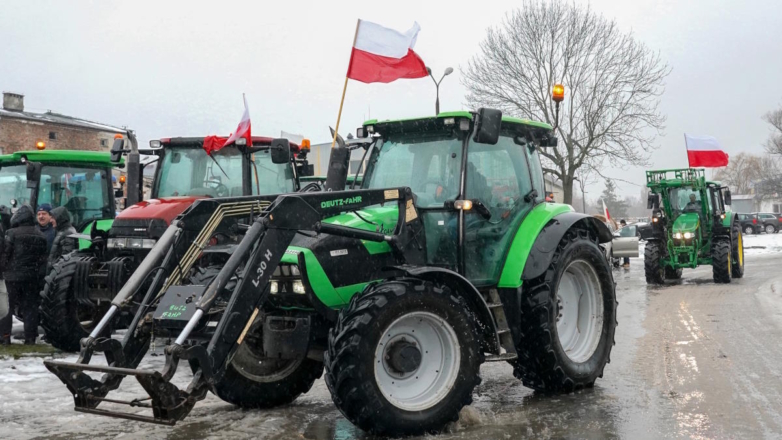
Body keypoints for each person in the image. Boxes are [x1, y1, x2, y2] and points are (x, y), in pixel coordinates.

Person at [0, 205, 48, 345]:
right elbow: (43, 259)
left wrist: (3, 271)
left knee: (7, 307)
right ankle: (30, 338)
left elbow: (5, 255)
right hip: (31, 278)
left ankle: (5, 336)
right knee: (30, 307)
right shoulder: (41, 235)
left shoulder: (11, 233)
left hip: (12, 277)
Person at [47, 206, 77, 272]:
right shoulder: (63, 231)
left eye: (52, 218)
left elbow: (65, 259)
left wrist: (54, 270)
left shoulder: (67, 233)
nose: (50, 220)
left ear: (59, 218)